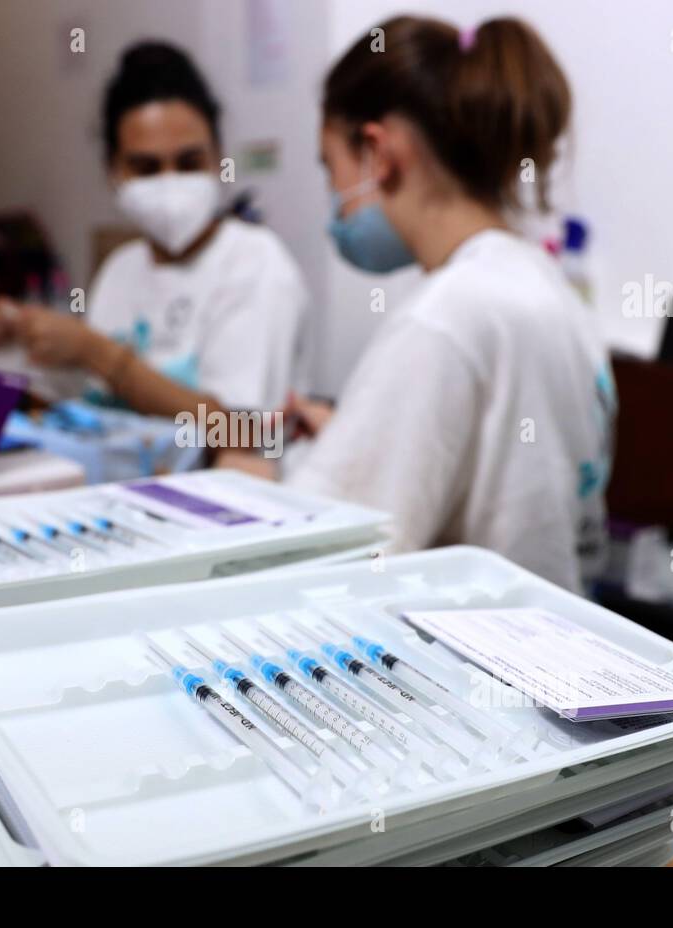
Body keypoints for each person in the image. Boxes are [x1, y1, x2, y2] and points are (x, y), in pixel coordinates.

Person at [236, 16, 616, 593]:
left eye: (330, 166)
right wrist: (355, 434)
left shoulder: (447, 318)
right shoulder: (543, 283)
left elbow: (315, 562)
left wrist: (248, 465)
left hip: (474, 662)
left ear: (377, 151)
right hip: (559, 646)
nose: (335, 200)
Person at [0, 41, 310, 418]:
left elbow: (237, 431)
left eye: (188, 162)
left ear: (218, 156)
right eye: (147, 168)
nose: (170, 183)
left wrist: (95, 352)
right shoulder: (122, 268)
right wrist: (24, 341)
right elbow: (92, 401)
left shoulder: (256, 262)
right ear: (113, 171)